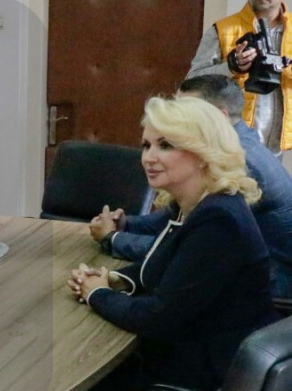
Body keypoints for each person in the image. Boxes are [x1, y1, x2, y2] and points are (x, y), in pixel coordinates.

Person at [71, 96, 276, 391]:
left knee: (80, 381)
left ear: (203, 153)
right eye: (146, 145)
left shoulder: (219, 219)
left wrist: (97, 294)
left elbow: (158, 317)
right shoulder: (196, 204)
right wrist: (114, 279)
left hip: (205, 377)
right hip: (189, 352)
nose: (148, 157)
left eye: (165, 145)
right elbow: (168, 265)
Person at [90, 75, 292, 298]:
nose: (176, 117)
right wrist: (128, 225)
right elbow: (178, 220)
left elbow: (187, 251)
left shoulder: (241, 164)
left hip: (272, 288)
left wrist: (114, 238)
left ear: (218, 117)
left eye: (188, 109)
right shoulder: (237, 142)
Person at [187, 0, 292, 153]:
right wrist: (231, 66)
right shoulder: (223, 30)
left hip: (276, 147)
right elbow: (191, 82)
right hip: (228, 142)